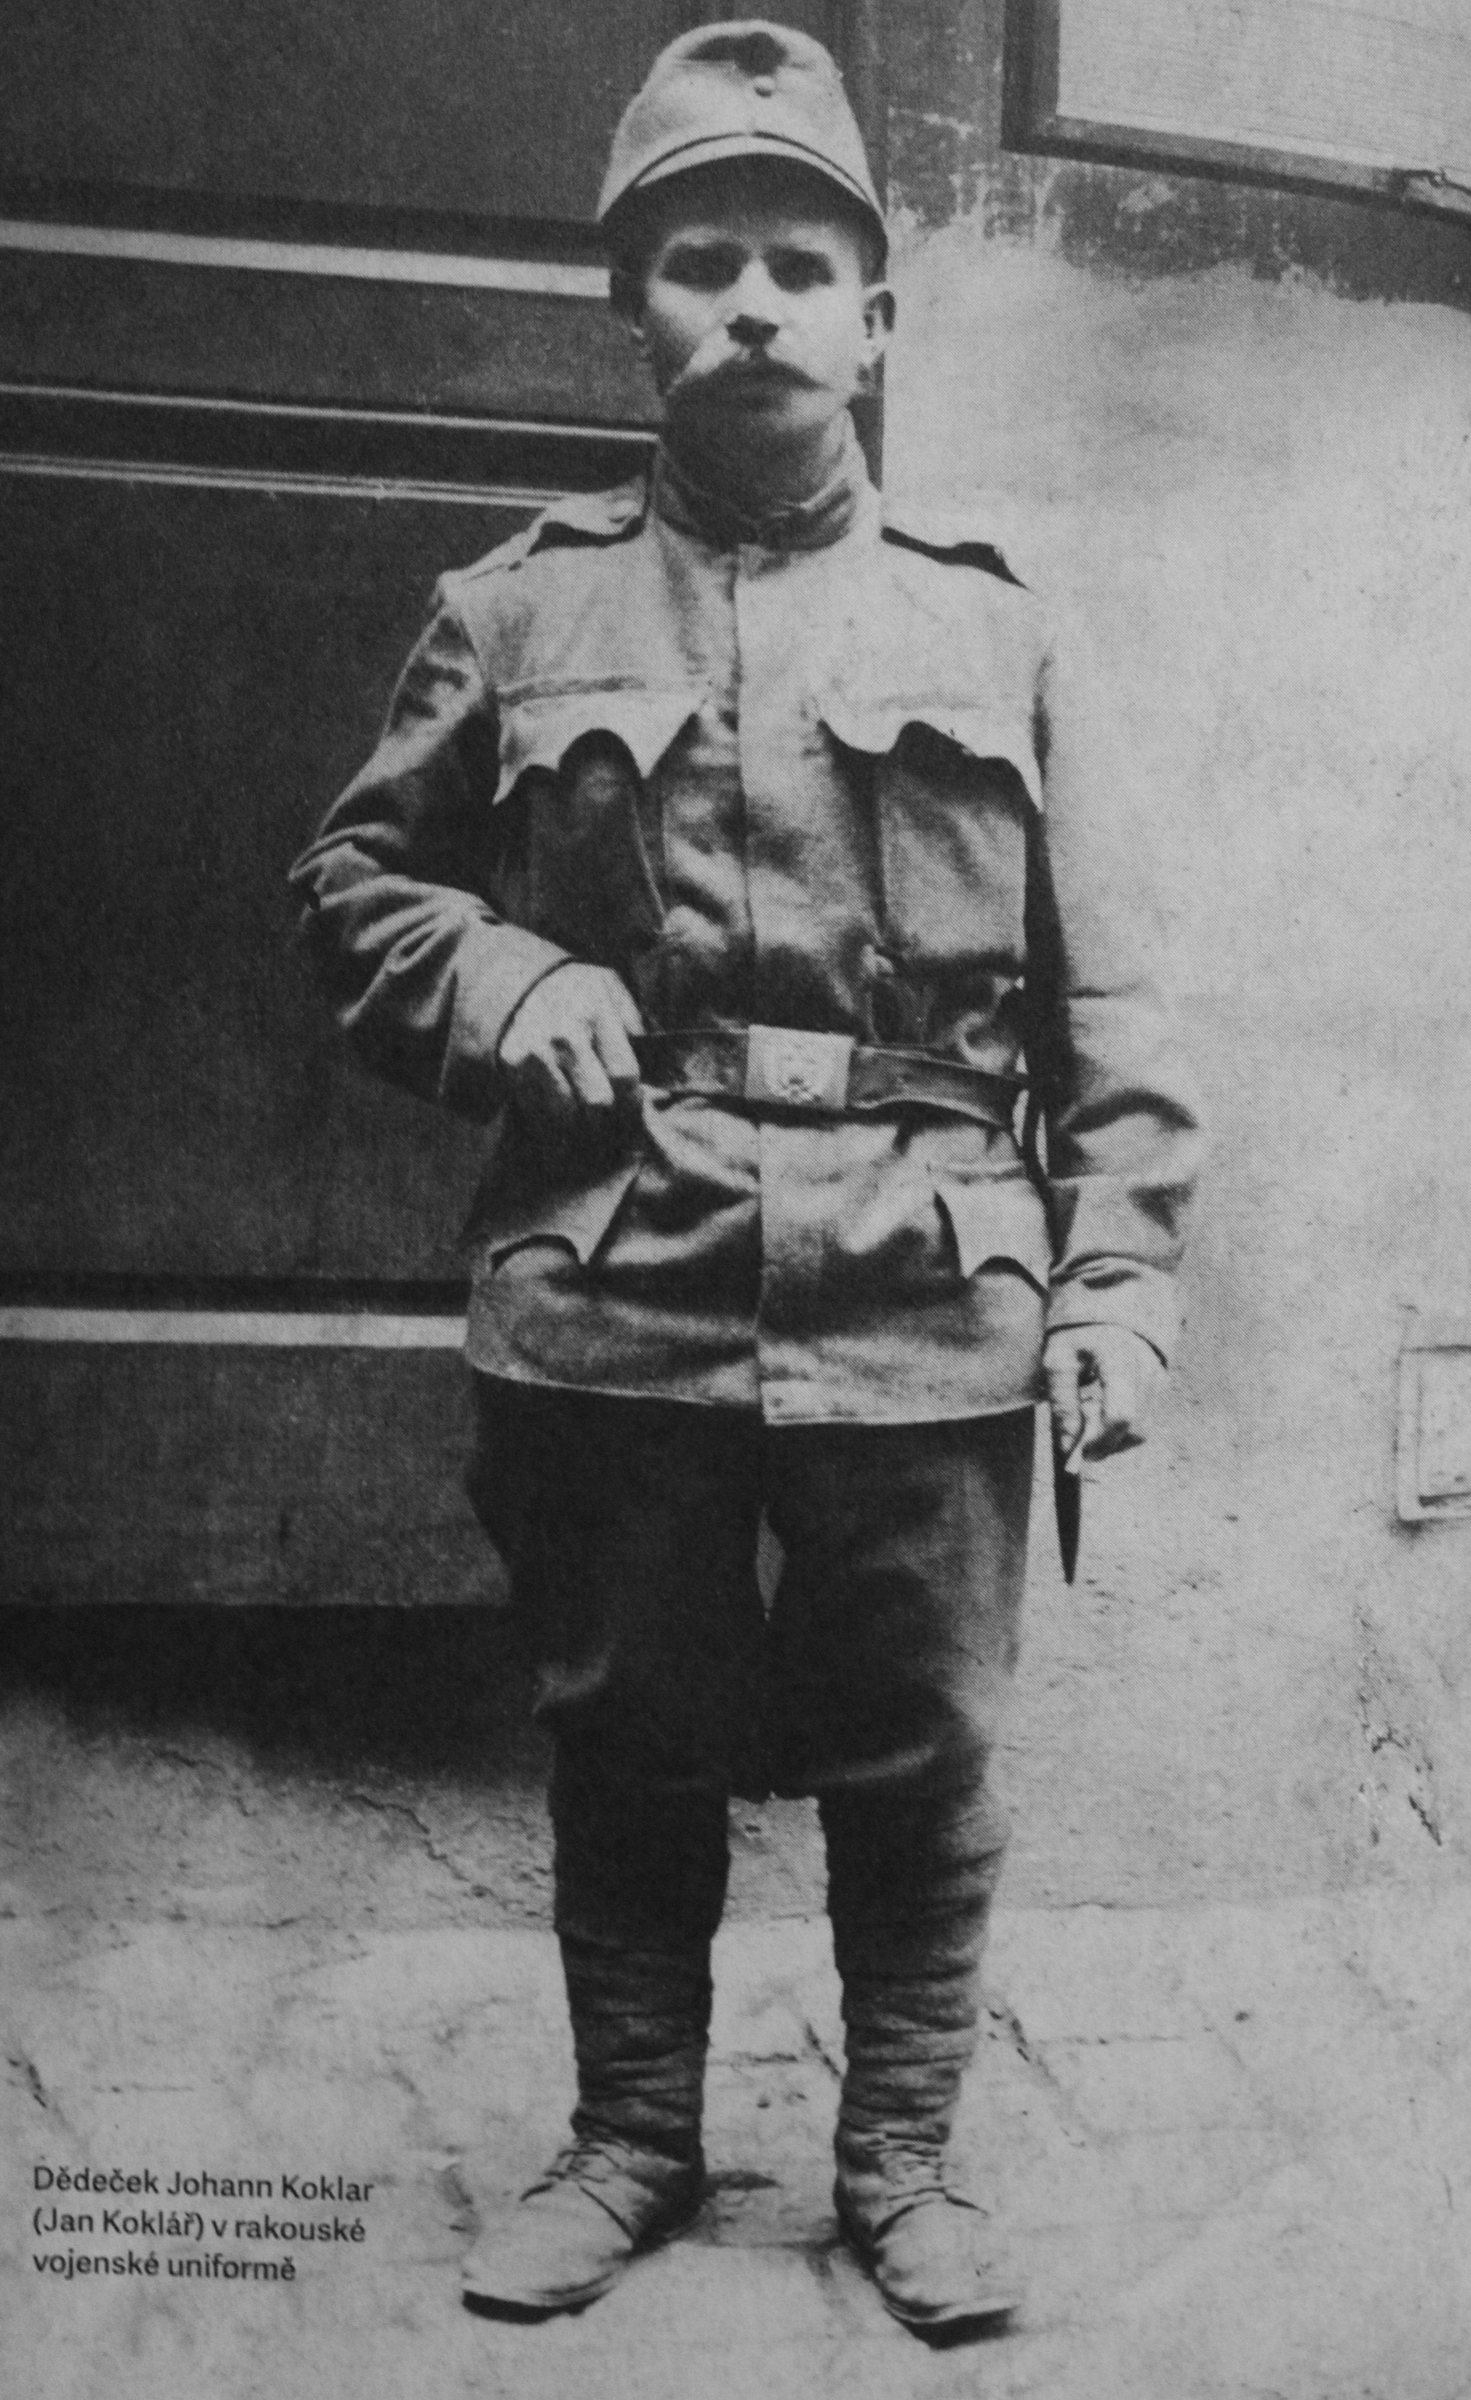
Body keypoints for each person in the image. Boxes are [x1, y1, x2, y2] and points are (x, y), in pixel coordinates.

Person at [290, 18, 1201, 2336]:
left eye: (803, 266)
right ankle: (630, 2143)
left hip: (925, 1278)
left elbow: (1114, 1002)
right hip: (626, 1259)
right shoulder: (516, 611)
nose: (757, 304)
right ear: (637, 307)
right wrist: (504, 975)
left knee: (925, 1744)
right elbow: (356, 892)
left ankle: (900, 2167)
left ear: (875, 322)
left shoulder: (998, 621)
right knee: (628, 1725)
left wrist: (1117, 1285)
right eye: (705, 263)